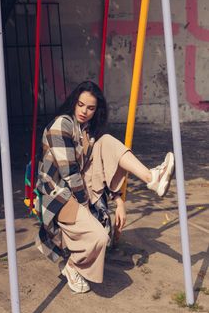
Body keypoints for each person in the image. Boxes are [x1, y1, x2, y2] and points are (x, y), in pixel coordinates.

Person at [35, 81, 174, 293]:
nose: (84, 111)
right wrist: (87, 210)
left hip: (77, 189)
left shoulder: (87, 131)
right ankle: (72, 265)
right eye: (81, 105)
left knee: (107, 141)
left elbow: (100, 166)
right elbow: (70, 175)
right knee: (99, 238)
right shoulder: (61, 125)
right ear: (74, 102)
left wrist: (119, 201)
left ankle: (151, 177)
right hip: (57, 197)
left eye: (90, 108)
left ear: (96, 110)